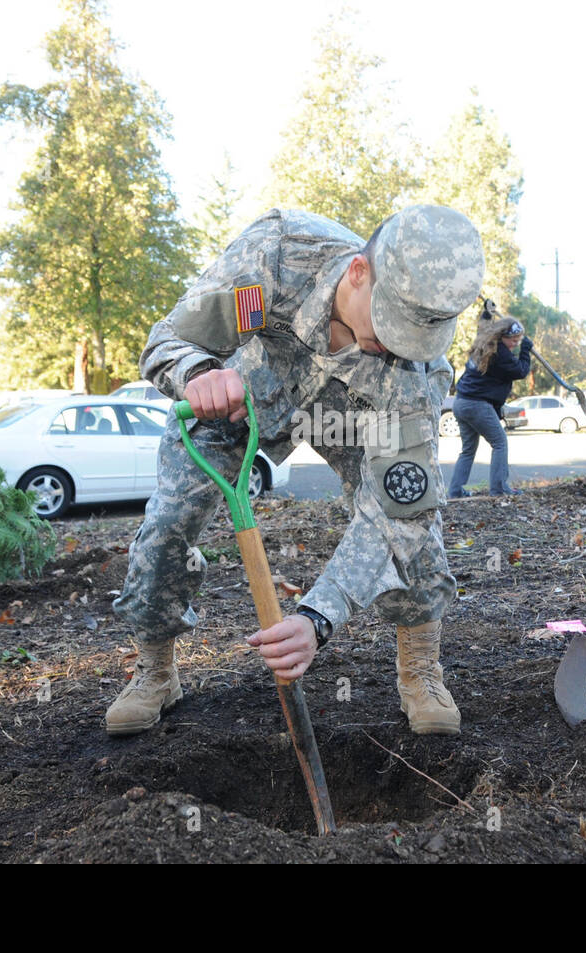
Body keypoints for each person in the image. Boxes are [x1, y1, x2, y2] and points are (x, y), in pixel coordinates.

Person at [108, 205, 484, 737]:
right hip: (238, 400)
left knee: (414, 523)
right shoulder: (277, 257)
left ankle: (420, 668)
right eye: (391, 323)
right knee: (168, 522)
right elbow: (167, 340)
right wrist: (199, 374)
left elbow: (395, 513)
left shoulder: (415, 376)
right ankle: (155, 670)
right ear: (358, 272)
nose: (399, 344)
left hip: (355, 418)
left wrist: (316, 617)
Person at [447, 309, 531, 497]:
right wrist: (525, 351)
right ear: (502, 336)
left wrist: (486, 313)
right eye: (514, 340)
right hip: (477, 404)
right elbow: (520, 371)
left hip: (461, 402)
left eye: (519, 340)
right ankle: (499, 489)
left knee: (468, 450)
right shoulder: (500, 354)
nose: (515, 344)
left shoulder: (484, 344)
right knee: (500, 443)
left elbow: (482, 328)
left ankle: (455, 491)